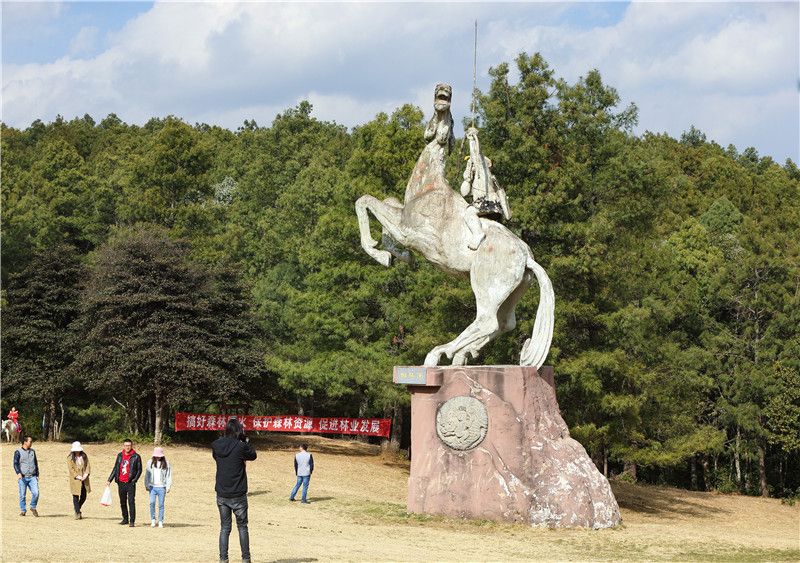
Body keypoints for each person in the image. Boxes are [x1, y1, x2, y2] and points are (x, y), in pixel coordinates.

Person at [212, 418, 257, 563]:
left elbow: (216, 457)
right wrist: (245, 442)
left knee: (225, 528)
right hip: (238, 493)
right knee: (242, 527)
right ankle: (246, 559)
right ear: (239, 430)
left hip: (222, 493)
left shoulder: (217, 445)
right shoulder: (241, 446)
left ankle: (223, 559)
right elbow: (253, 455)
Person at [106, 438, 142, 527]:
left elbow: (139, 470)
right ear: (123, 446)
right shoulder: (120, 455)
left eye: (129, 445)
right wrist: (109, 480)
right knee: (122, 502)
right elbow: (116, 468)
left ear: (131, 446)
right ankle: (125, 519)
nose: (127, 447)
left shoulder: (136, 456)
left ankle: (132, 521)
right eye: (126, 445)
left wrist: (134, 480)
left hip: (130, 483)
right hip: (121, 482)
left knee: (131, 502)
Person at [144, 446, 172, 528]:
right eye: (156, 455)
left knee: (161, 505)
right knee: (152, 503)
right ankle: (153, 520)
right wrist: (146, 484)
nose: (157, 457)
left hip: (162, 487)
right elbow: (147, 474)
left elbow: (168, 475)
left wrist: (168, 486)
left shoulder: (166, 463)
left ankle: (160, 521)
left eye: (159, 455)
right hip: (152, 487)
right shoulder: (150, 462)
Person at [13, 435, 39, 516]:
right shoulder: (18, 452)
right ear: (25, 442)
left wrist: (37, 474)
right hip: (23, 477)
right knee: (22, 495)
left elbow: (35, 463)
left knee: (36, 493)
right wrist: (18, 473)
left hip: (33, 477)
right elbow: (15, 463)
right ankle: (23, 510)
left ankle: (33, 507)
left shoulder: (33, 452)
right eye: (30, 441)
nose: (31, 443)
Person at [67, 441, 91, 519]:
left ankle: (77, 508)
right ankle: (77, 512)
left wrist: (85, 475)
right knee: (75, 496)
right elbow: (71, 469)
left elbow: (88, 466)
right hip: (75, 480)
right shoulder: (70, 458)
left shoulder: (84, 456)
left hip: (84, 479)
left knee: (84, 496)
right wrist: (78, 477)